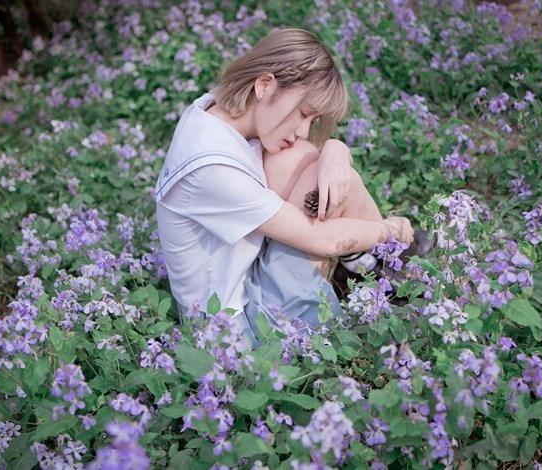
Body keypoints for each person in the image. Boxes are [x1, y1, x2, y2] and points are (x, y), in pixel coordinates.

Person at [154, 28, 414, 347]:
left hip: (249, 285)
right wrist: (390, 230)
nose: (304, 129)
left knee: (303, 159)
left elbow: (307, 157)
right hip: (234, 337)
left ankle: (370, 270)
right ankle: (377, 273)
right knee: (314, 172)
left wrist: (336, 150)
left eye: (313, 120)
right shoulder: (211, 166)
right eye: (304, 113)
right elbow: (323, 241)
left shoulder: (212, 112)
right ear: (265, 84)